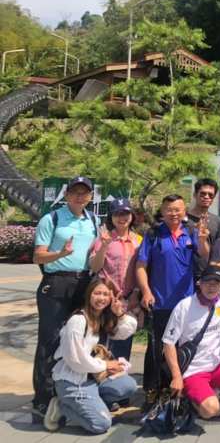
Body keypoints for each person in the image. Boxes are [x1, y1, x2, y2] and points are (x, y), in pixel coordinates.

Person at [32, 176, 100, 420]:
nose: (79, 196)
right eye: (75, 192)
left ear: (91, 196)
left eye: (84, 192)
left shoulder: (93, 220)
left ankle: (70, 393)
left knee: (80, 341)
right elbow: (38, 257)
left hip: (84, 283)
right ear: (67, 194)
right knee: (50, 341)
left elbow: (95, 256)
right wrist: (60, 253)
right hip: (56, 283)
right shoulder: (52, 219)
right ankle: (43, 398)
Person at [136, 194, 210, 405]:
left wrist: (203, 240)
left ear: (184, 211)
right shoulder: (153, 234)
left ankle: (176, 388)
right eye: (169, 209)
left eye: (178, 209)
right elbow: (141, 266)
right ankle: (152, 389)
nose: (174, 213)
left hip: (186, 304)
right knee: (156, 347)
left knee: (181, 347)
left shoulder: (190, 232)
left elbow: (204, 255)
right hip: (160, 302)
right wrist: (146, 291)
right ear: (163, 210)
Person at [161, 265, 220, 419]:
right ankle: (191, 397)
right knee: (211, 411)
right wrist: (176, 376)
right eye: (207, 282)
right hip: (193, 371)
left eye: (216, 282)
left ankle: (215, 391)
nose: (211, 287)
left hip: (216, 367)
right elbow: (168, 343)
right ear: (199, 283)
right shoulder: (184, 307)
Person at [43, 278, 138, 434]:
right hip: (73, 380)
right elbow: (75, 360)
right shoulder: (78, 320)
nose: (101, 298)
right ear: (89, 295)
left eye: (106, 294)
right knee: (101, 424)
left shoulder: (103, 318)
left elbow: (126, 331)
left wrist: (119, 314)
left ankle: (91, 402)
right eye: (97, 293)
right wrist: (107, 365)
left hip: (94, 377)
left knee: (128, 386)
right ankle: (61, 405)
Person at [88, 198, 142, 361]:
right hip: (106, 299)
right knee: (104, 343)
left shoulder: (138, 240)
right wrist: (104, 246)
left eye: (125, 213)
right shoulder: (103, 239)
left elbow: (142, 269)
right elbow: (96, 268)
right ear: (111, 217)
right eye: (117, 214)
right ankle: (100, 379)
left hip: (128, 300)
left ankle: (119, 380)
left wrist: (137, 293)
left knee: (124, 342)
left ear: (131, 216)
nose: (122, 218)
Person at [186, 178, 220, 278]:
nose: (206, 197)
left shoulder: (218, 222)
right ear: (195, 195)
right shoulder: (182, 220)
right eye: (203, 193)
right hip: (184, 276)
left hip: (208, 278)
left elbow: (219, 252)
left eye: (210, 195)